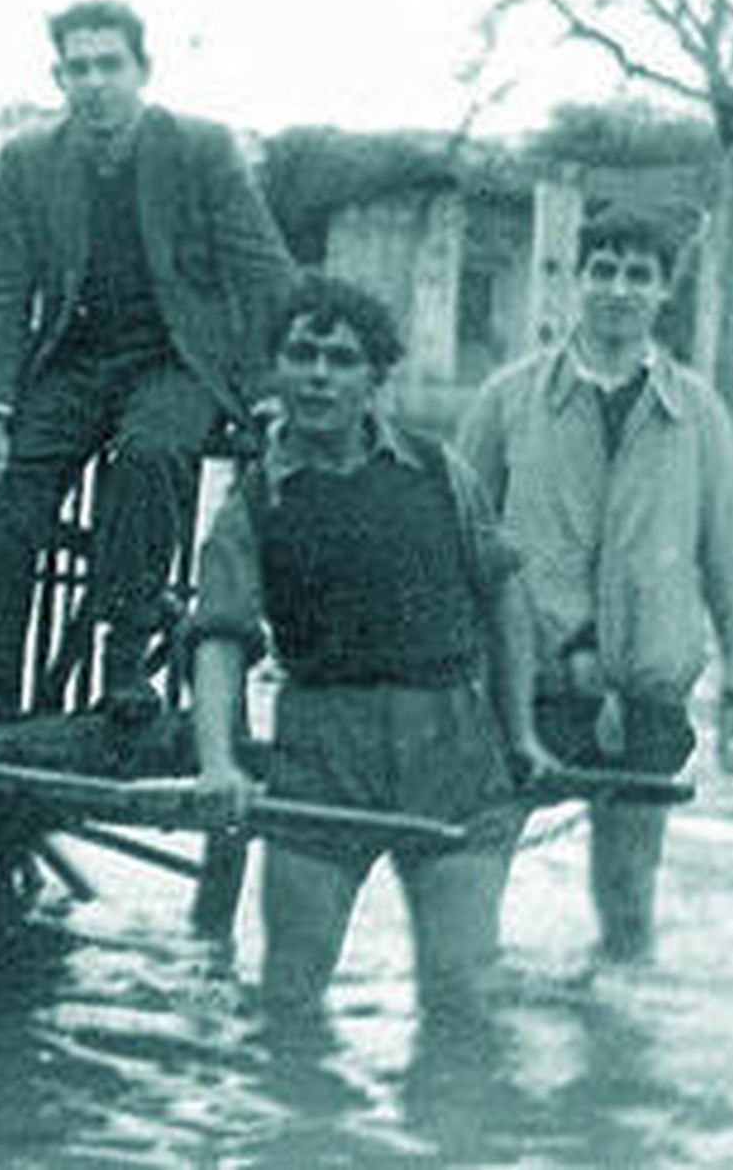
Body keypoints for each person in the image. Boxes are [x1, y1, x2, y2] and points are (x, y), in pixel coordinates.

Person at [189, 273, 544, 1032]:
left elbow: (507, 591)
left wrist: (521, 733)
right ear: (279, 368)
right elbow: (219, 637)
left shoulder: (441, 473)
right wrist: (217, 762)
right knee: (288, 1004)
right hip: (323, 756)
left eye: (342, 358)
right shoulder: (252, 503)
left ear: (375, 377)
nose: (318, 374)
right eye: (302, 353)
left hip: (452, 754)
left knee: (462, 1000)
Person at [0, 0, 296, 719]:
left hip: (176, 359)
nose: (95, 83)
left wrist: (270, 388)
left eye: (110, 64)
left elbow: (263, 274)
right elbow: (4, 291)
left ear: (143, 70)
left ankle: (123, 656)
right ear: (58, 78)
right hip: (76, 359)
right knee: (7, 480)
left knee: (149, 454)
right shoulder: (29, 161)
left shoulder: (201, 150)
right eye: (77, 68)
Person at [457, 205, 733, 963]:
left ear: (663, 292)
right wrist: (450, 676)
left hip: (644, 693)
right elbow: (456, 541)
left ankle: (616, 1061)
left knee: (628, 904)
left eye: (639, 275)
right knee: (468, 893)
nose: (619, 289)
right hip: (522, 686)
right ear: (575, 282)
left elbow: (731, 562)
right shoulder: (508, 398)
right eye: (604, 270)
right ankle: (467, 1060)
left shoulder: (698, 415)